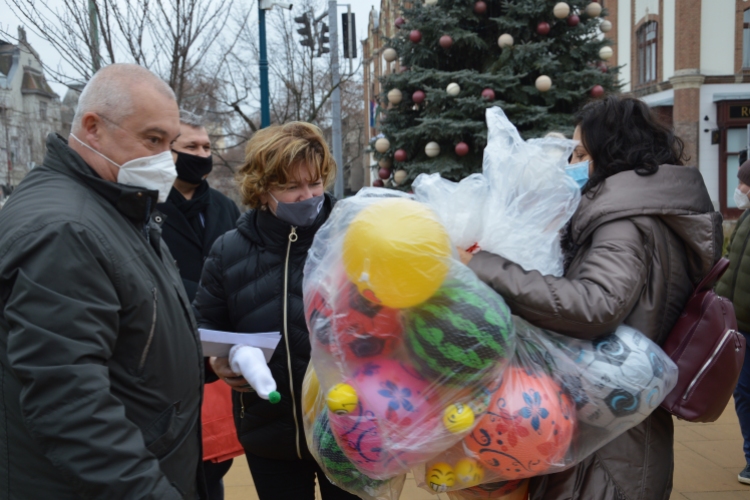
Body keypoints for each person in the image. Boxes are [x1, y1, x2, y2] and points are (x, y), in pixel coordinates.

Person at [461, 95, 723, 500]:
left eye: (581, 153)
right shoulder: (644, 213)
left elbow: (594, 305)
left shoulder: (626, 222)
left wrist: (485, 266)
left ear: (611, 152)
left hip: (609, 442)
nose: (573, 165)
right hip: (618, 420)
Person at [0, 63, 204, 498]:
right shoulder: (65, 229)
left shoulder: (115, 206)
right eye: (152, 140)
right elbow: (70, 404)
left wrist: (205, 360)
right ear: (93, 128)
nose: (166, 161)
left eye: (169, 144)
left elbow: (132, 340)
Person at [193, 122, 358, 500]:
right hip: (269, 433)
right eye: (291, 186)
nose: (307, 196)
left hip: (349, 430)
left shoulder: (354, 237)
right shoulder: (228, 250)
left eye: (314, 182)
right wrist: (216, 362)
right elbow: (204, 325)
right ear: (262, 187)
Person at [157, 110, 242, 499]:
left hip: (216, 347)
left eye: (207, 146)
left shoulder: (225, 207)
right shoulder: (146, 204)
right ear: (168, 151)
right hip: (167, 342)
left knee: (213, 461)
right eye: (191, 146)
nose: (202, 153)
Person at [716, 159, 750, 485]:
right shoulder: (745, 219)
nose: (739, 190)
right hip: (740, 324)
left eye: (744, 184)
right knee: (743, 391)